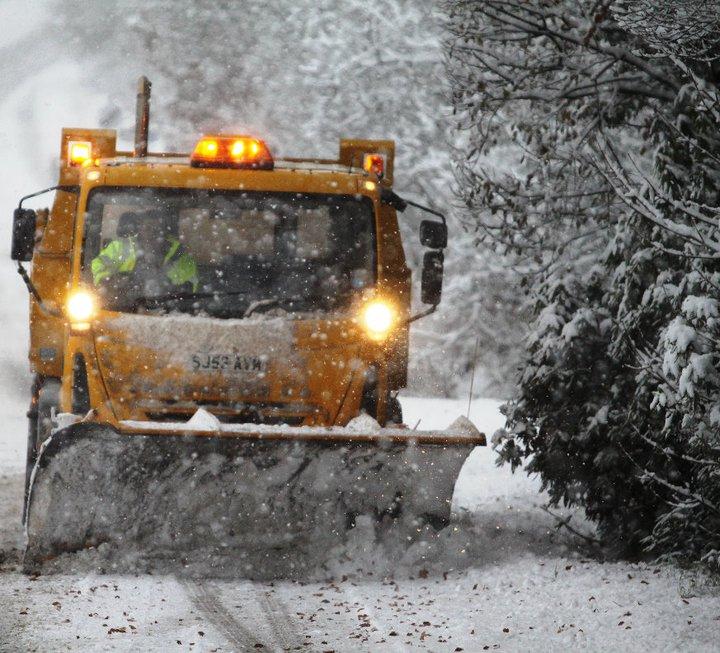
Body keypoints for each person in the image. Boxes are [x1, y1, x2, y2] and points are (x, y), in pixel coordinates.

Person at [91, 211, 199, 292]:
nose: (151, 234)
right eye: (147, 228)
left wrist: (167, 285)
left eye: (157, 230)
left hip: (168, 311)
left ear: (165, 234)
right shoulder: (119, 247)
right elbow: (98, 266)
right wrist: (111, 280)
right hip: (123, 306)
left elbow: (190, 287)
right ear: (140, 230)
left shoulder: (180, 255)